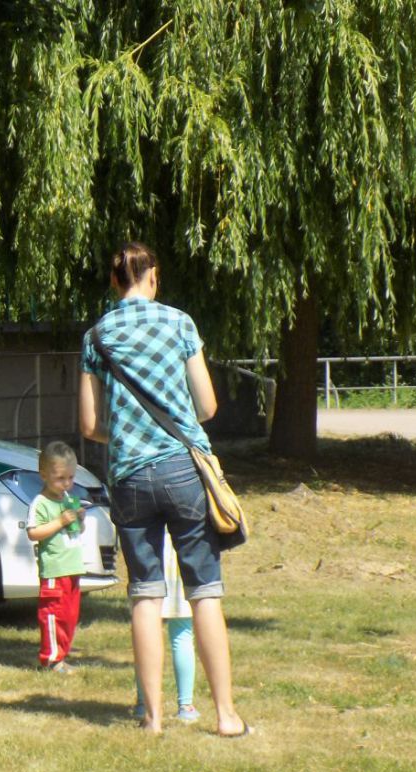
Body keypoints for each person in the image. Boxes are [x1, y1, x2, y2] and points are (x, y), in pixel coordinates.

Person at [79, 241, 249, 737]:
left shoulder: (96, 336)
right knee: (204, 591)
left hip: (129, 477)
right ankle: (226, 716)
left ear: (115, 282)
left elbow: (89, 424)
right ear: (153, 276)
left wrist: (126, 434)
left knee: (145, 594)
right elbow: (208, 406)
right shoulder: (179, 323)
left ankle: (152, 718)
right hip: (182, 471)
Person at [26, 441, 86, 673]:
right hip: (54, 569)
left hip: (72, 567)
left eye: (71, 478)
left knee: (69, 616)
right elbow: (33, 532)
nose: (67, 484)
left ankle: (62, 654)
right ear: (44, 475)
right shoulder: (40, 503)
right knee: (53, 614)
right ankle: (51, 658)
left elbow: (77, 532)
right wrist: (60, 521)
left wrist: (79, 520)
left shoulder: (67, 499)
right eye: (60, 478)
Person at [133, 532, 200, 723]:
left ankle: (143, 703)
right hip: (181, 560)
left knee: (145, 636)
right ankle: (185, 706)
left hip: (147, 558)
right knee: (182, 634)